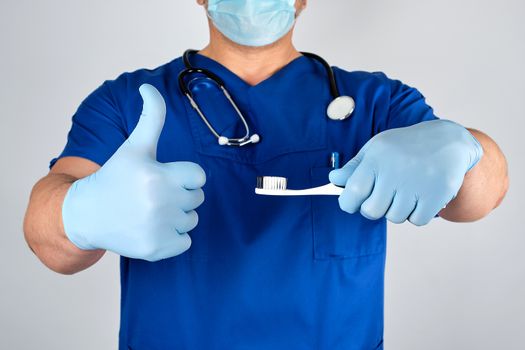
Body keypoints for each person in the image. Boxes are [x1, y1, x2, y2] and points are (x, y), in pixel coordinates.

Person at [23, 0, 509, 349]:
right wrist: (79, 212)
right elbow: (51, 242)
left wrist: (462, 148)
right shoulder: (130, 101)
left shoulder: (377, 103)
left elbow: (480, 196)